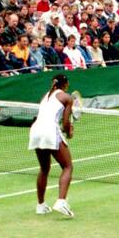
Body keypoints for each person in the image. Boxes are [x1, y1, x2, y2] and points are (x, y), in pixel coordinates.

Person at [28, 74, 75, 218]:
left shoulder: (45, 96)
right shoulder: (67, 98)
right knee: (67, 166)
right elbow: (66, 123)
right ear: (65, 84)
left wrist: (66, 129)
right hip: (49, 131)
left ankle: (40, 206)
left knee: (44, 168)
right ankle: (61, 201)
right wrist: (69, 131)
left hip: (35, 130)